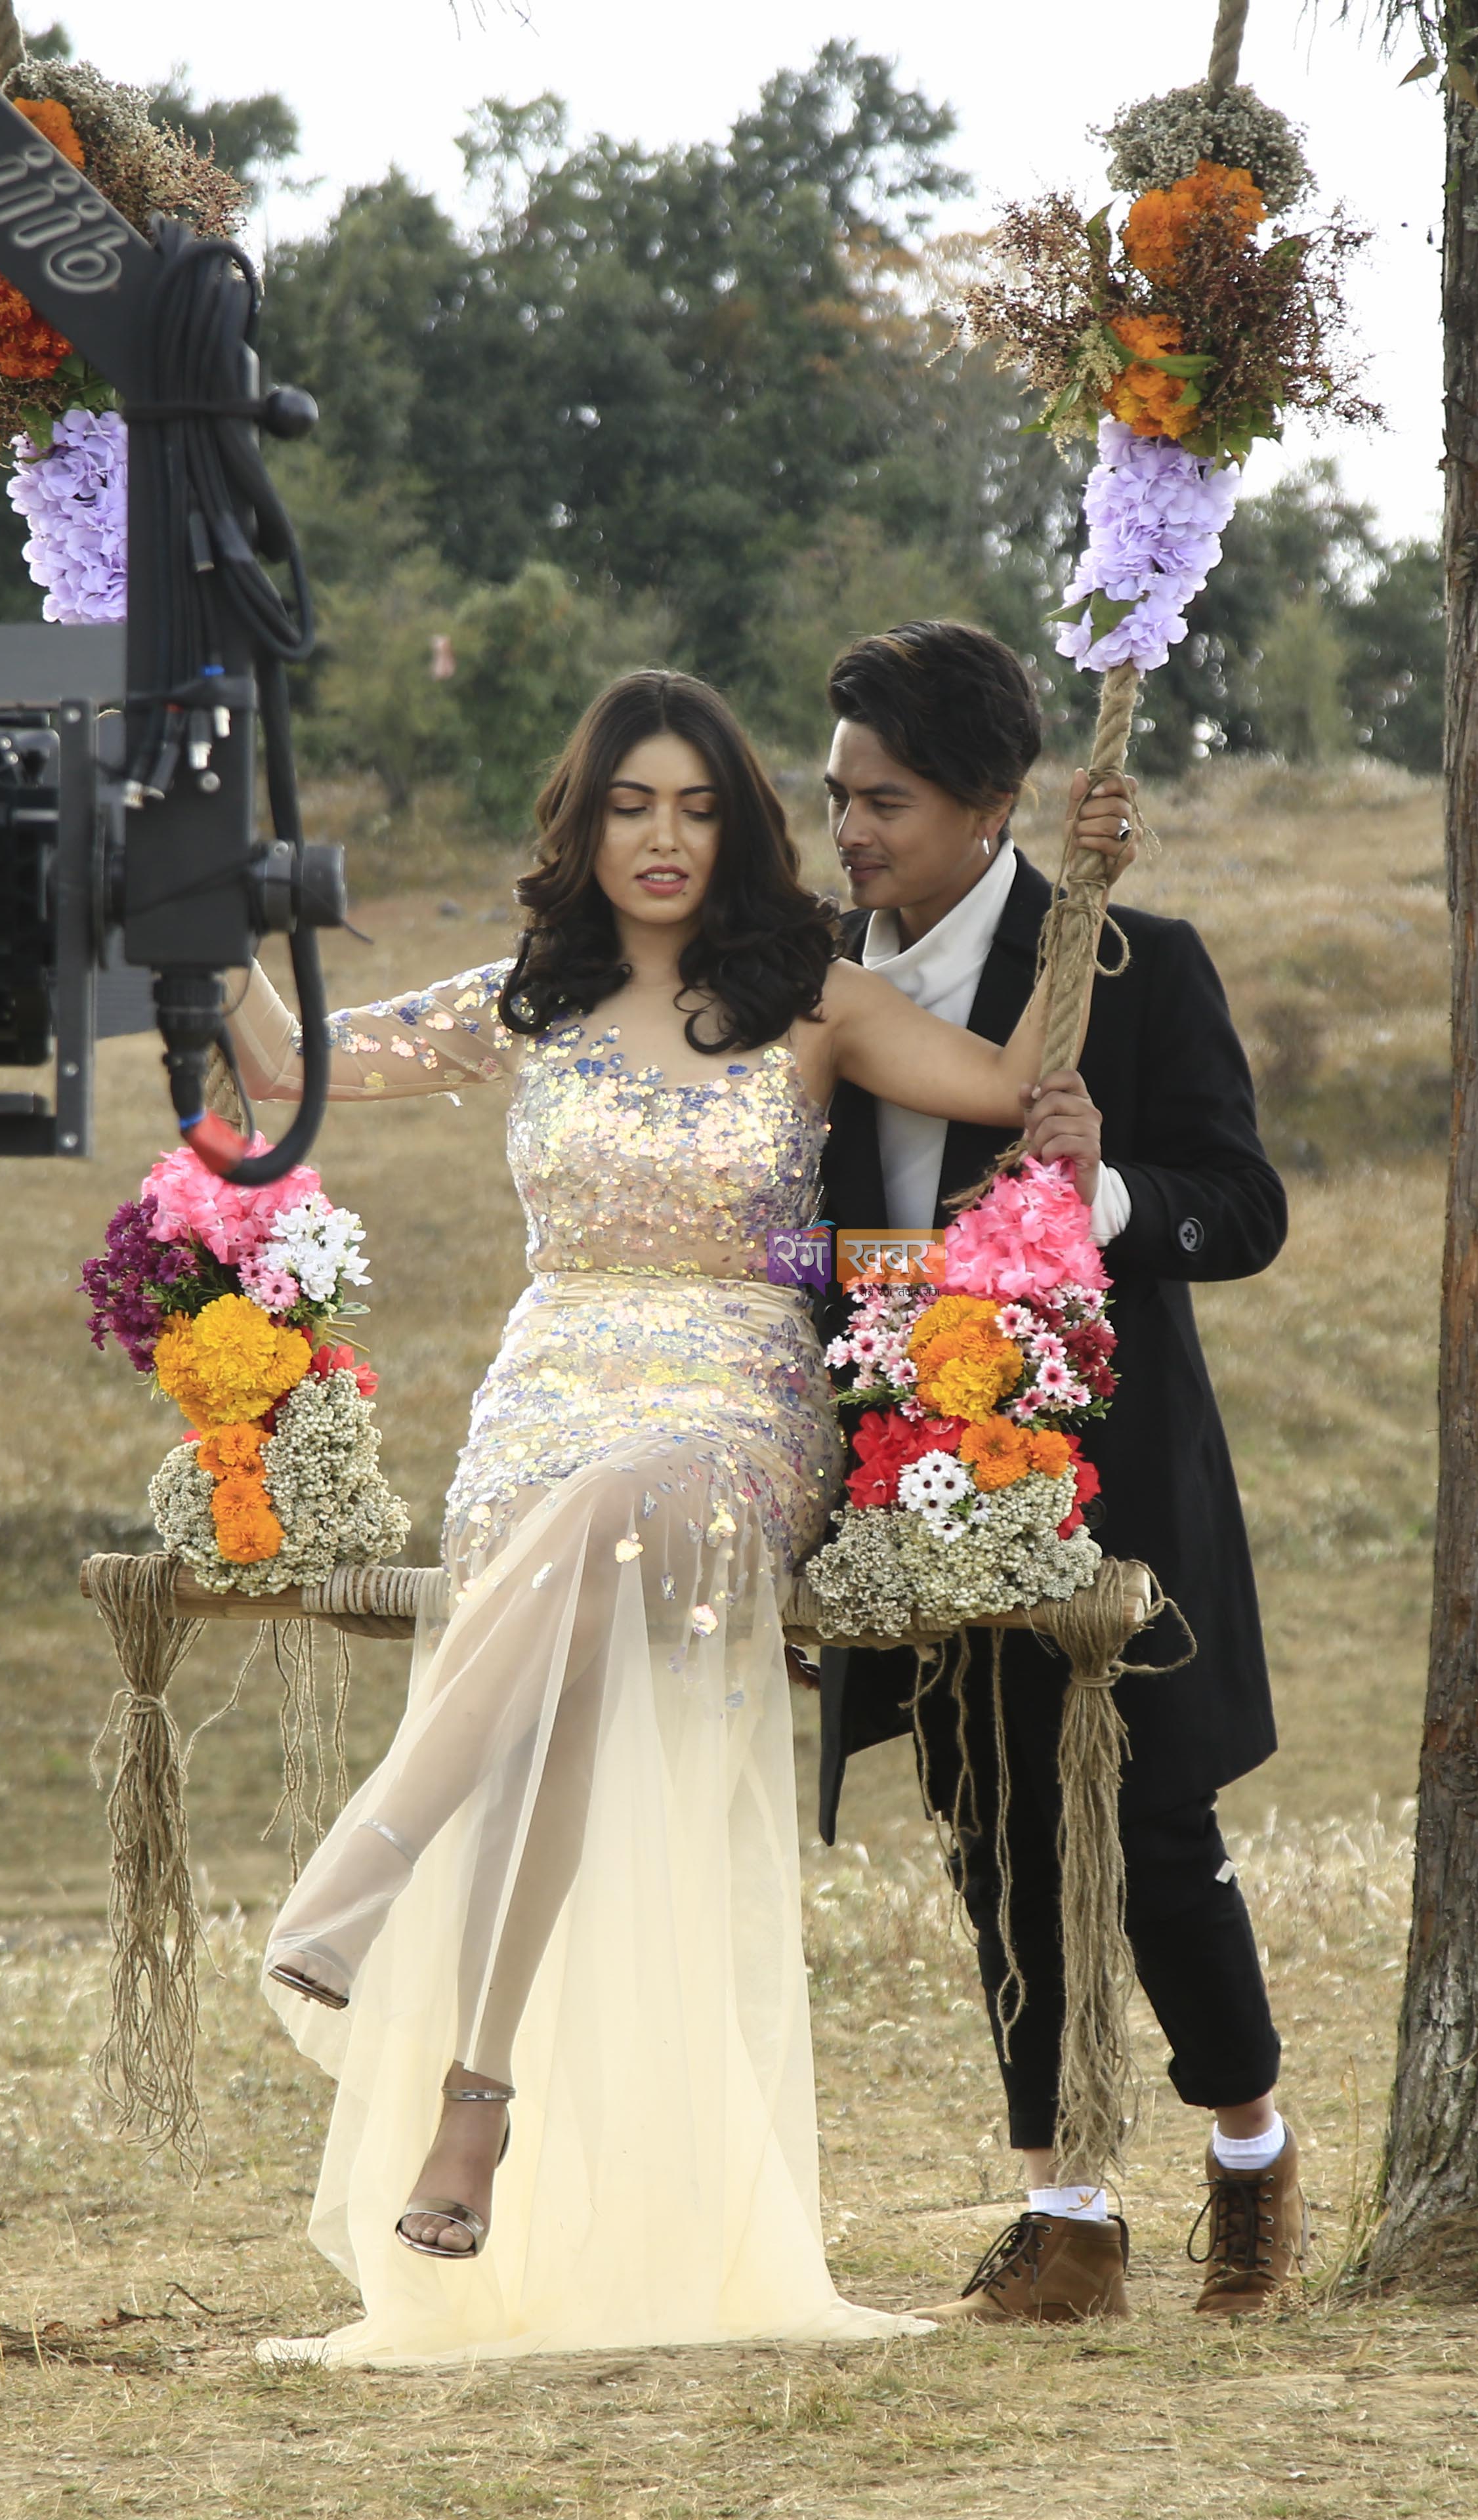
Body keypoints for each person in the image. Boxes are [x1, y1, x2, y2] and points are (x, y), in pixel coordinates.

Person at [226, 667, 1135, 2366]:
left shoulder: (819, 999)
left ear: (740, 830)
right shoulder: (524, 1003)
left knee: (610, 1519)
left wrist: (1081, 878)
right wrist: (195, 907)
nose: (663, 838)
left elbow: (1017, 1077)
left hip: (734, 1397)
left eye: (698, 809)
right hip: (547, 1392)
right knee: (558, 1686)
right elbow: (282, 1067)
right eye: (632, 806)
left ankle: (364, 1869)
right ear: (586, 826)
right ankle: (475, 2111)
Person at [811, 620, 1297, 2323]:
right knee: (993, 1834)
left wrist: (1106, 1195)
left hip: (1112, 1492)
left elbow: (1245, 1208)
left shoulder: (1137, 966)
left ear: (990, 805)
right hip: (914, 1488)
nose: (851, 831)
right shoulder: (810, 980)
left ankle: (1251, 2156)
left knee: (1154, 1832)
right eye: (837, 796)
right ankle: (1067, 2222)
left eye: (884, 800)